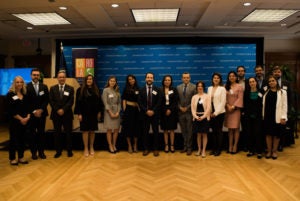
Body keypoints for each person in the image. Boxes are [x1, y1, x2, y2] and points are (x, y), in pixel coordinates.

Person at [74, 74, 103, 157]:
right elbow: (78, 103)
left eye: (91, 79)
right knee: (85, 131)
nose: (89, 80)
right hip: (84, 114)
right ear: (85, 80)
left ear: (93, 80)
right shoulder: (80, 90)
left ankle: (91, 147)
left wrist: (99, 112)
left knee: (92, 131)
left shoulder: (96, 89)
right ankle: (86, 148)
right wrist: (79, 114)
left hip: (93, 114)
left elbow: (100, 102)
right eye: (87, 79)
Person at [49, 70, 74, 158]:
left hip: (67, 114)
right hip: (56, 114)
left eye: (63, 77)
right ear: (57, 78)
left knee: (68, 134)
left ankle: (69, 151)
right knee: (57, 134)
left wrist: (63, 110)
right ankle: (58, 151)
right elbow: (51, 101)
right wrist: (58, 110)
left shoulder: (70, 88)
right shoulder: (52, 88)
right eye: (60, 77)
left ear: (65, 78)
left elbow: (71, 102)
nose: (62, 78)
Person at [7, 76, 31, 165]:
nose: (19, 84)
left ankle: (21, 157)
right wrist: (21, 119)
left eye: (21, 82)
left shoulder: (25, 94)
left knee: (22, 140)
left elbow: (29, 108)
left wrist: (27, 117)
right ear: (14, 83)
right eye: (17, 82)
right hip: (15, 122)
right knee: (13, 140)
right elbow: (11, 110)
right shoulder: (10, 94)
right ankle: (12, 158)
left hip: (25, 122)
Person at [262, 75, 287, 159]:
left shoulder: (282, 92)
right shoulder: (265, 91)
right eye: (269, 81)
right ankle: (269, 151)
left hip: (277, 116)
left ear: (276, 82)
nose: (271, 82)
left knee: (276, 135)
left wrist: (284, 117)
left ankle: (274, 151)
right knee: (268, 134)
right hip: (267, 116)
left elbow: (284, 106)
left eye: (273, 80)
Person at [26, 68, 49, 160]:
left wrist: (41, 110)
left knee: (41, 134)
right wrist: (34, 111)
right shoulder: (26, 87)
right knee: (32, 134)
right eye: (34, 75)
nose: (36, 76)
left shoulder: (44, 86)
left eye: (37, 75)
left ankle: (41, 152)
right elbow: (26, 102)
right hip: (31, 115)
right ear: (31, 76)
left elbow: (46, 100)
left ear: (39, 76)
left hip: (42, 114)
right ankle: (33, 153)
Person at [138, 72, 162, 157]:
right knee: (145, 132)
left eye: (151, 77)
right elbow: (139, 102)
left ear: (153, 79)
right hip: (144, 115)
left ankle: (155, 149)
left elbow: (159, 102)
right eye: (148, 77)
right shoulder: (141, 90)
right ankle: (146, 149)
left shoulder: (157, 89)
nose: (149, 79)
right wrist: (146, 111)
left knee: (156, 132)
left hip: (155, 115)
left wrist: (153, 111)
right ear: (145, 79)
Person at [272, 65, 294, 150]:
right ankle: (274, 145)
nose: (277, 73)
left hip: (283, 110)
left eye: (278, 72)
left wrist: (287, 111)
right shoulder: (270, 82)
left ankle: (281, 144)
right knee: (274, 129)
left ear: (281, 73)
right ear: (273, 73)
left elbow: (290, 98)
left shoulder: (286, 83)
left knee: (282, 128)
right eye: (275, 72)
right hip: (273, 110)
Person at [243, 77, 263, 159]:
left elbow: (262, 104)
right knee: (249, 133)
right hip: (248, 117)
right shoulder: (246, 93)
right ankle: (251, 150)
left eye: (253, 81)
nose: (252, 83)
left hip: (258, 117)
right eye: (250, 82)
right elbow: (245, 104)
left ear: (256, 82)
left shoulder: (261, 92)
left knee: (258, 133)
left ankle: (259, 151)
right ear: (249, 84)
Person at [224, 71, 244, 154]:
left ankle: (235, 146)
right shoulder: (226, 86)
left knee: (236, 129)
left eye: (233, 76)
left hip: (236, 110)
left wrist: (233, 106)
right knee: (230, 129)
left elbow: (240, 98)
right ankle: (230, 146)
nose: (231, 77)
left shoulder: (239, 86)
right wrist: (228, 105)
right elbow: (223, 98)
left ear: (236, 77)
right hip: (228, 110)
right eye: (230, 76)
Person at [176, 72, 196, 155]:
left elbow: (194, 99)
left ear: (190, 78)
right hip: (180, 113)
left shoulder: (194, 87)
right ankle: (184, 146)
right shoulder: (178, 87)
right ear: (182, 78)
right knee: (183, 131)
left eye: (187, 77)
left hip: (189, 112)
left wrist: (187, 107)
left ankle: (189, 148)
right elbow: (176, 100)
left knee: (190, 131)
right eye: (184, 77)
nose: (186, 79)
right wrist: (180, 107)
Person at [207, 72, 226, 156]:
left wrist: (215, 113)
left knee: (219, 131)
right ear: (212, 79)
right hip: (211, 112)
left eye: (218, 78)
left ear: (220, 80)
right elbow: (208, 101)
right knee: (213, 131)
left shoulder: (222, 89)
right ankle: (213, 148)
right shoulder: (209, 88)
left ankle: (218, 149)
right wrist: (210, 111)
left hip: (219, 112)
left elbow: (223, 102)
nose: (216, 79)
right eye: (214, 78)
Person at [102, 76, 121, 154]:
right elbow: (105, 102)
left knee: (116, 129)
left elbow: (119, 103)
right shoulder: (105, 90)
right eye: (111, 81)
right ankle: (110, 145)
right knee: (109, 130)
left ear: (116, 82)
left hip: (116, 112)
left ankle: (114, 144)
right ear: (108, 81)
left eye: (114, 81)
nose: (112, 82)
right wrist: (110, 113)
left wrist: (118, 112)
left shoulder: (117, 91)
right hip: (108, 112)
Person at [191, 81, 211, 158]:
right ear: (197, 87)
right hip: (196, 118)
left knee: (204, 134)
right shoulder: (194, 97)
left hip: (205, 118)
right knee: (198, 135)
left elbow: (209, 108)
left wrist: (202, 117)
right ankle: (199, 150)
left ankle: (203, 151)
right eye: (198, 86)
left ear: (203, 87)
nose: (200, 87)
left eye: (201, 86)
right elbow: (192, 109)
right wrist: (196, 117)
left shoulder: (207, 96)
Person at [160, 75, 179, 153]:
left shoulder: (174, 89)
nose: (167, 81)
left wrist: (170, 109)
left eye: (169, 80)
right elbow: (159, 102)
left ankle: (172, 145)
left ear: (171, 81)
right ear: (163, 81)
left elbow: (175, 101)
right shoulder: (160, 90)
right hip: (163, 112)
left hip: (172, 112)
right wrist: (165, 110)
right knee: (165, 130)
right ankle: (166, 145)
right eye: (166, 80)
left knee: (171, 130)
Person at [121, 74, 140, 153]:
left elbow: (140, 100)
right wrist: (125, 110)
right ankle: (129, 145)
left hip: (136, 111)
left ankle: (135, 145)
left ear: (134, 80)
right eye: (129, 79)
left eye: (132, 79)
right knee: (128, 128)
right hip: (128, 111)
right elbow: (124, 100)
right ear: (128, 81)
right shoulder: (126, 89)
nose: (131, 80)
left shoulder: (138, 88)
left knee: (136, 128)